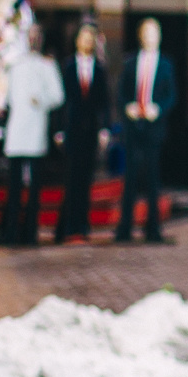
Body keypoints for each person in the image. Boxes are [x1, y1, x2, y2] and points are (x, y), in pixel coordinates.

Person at [0, 23, 63, 247]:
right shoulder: (16, 66)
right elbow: (7, 97)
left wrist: (41, 100)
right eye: (31, 35)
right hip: (17, 132)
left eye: (37, 35)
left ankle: (30, 233)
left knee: (34, 189)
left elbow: (57, 95)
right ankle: (11, 231)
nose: (34, 39)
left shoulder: (47, 66)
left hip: (35, 131)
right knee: (14, 188)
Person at [115, 18, 178, 244]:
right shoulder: (130, 62)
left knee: (152, 180)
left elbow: (172, 96)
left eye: (154, 33)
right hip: (133, 127)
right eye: (146, 33)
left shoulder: (166, 64)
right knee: (130, 179)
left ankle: (153, 230)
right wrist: (127, 107)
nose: (150, 37)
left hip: (153, 128)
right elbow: (121, 92)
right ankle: (124, 230)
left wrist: (158, 109)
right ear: (140, 36)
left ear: (159, 36)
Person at [55, 20, 113, 243]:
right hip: (71, 130)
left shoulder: (100, 69)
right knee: (71, 179)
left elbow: (104, 102)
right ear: (77, 41)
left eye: (91, 38)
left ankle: (83, 226)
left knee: (86, 180)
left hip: (90, 131)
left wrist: (105, 129)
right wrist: (59, 129)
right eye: (84, 37)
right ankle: (68, 227)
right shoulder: (67, 66)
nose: (87, 42)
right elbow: (62, 101)